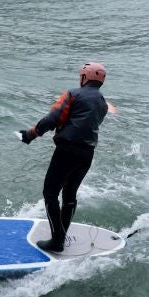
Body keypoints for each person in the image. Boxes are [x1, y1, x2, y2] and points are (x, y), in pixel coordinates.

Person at [19, 62, 110, 253]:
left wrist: (30, 134)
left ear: (84, 77)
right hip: (87, 153)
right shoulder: (103, 101)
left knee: (50, 193)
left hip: (67, 150)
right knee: (69, 194)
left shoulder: (72, 94)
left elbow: (54, 118)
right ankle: (61, 234)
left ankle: (57, 241)